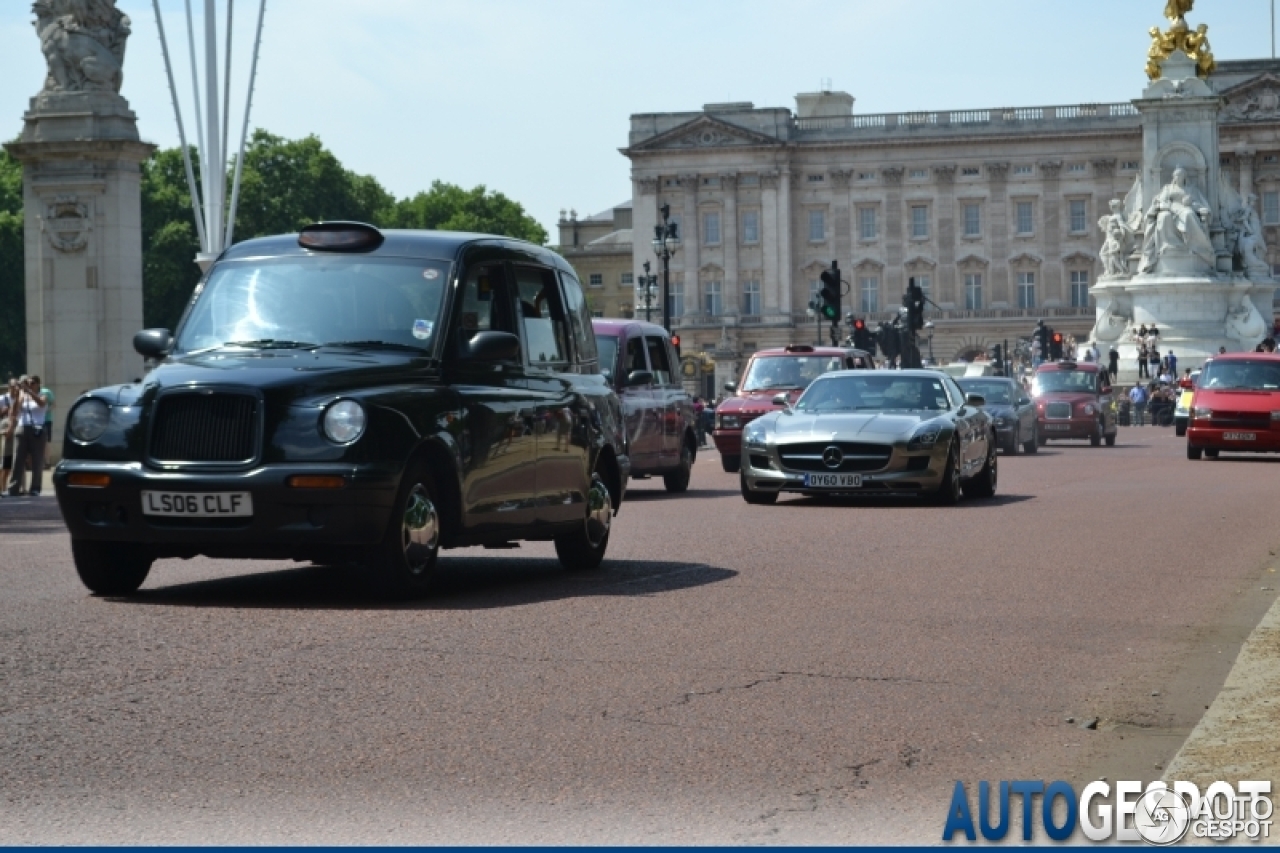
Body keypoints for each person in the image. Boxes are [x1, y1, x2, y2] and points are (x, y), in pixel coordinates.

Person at [6, 376, 49, 497]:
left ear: (38, 384)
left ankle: (35, 488)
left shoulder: (43, 394)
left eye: (32, 383)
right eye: (28, 383)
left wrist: (29, 392)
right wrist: (18, 393)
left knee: (37, 460)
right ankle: (13, 489)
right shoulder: (22, 396)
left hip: (37, 429)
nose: (30, 385)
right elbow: (14, 412)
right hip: (22, 428)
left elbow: (41, 404)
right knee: (17, 459)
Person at [0, 378, 17, 492]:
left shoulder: (20, 398)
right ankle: (2, 488)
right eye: (13, 386)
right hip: (4, 429)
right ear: (9, 387)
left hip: (15, 429)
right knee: (4, 464)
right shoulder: (3, 399)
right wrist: (3, 411)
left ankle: (10, 488)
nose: (15, 388)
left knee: (13, 464)